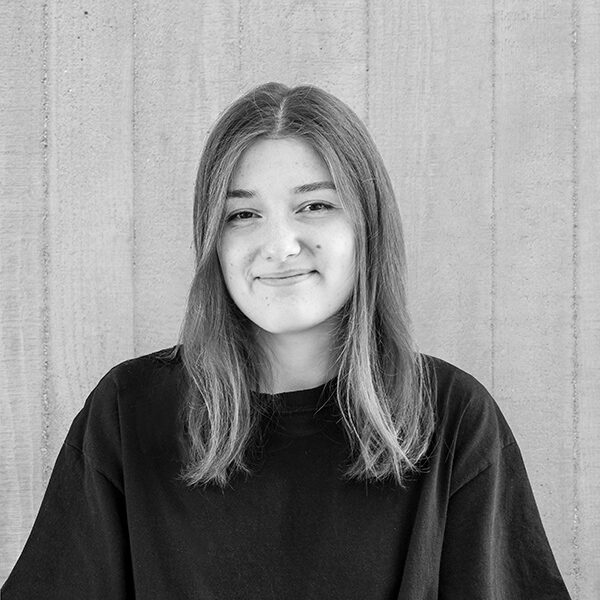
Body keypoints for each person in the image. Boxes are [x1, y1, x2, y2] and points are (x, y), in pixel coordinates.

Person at [2, 82, 571, 599]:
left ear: (367, 226)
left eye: (314, 206)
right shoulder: (129, 412)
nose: (279, 245)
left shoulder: (451, 417)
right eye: (243, 214)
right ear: (213, 241)